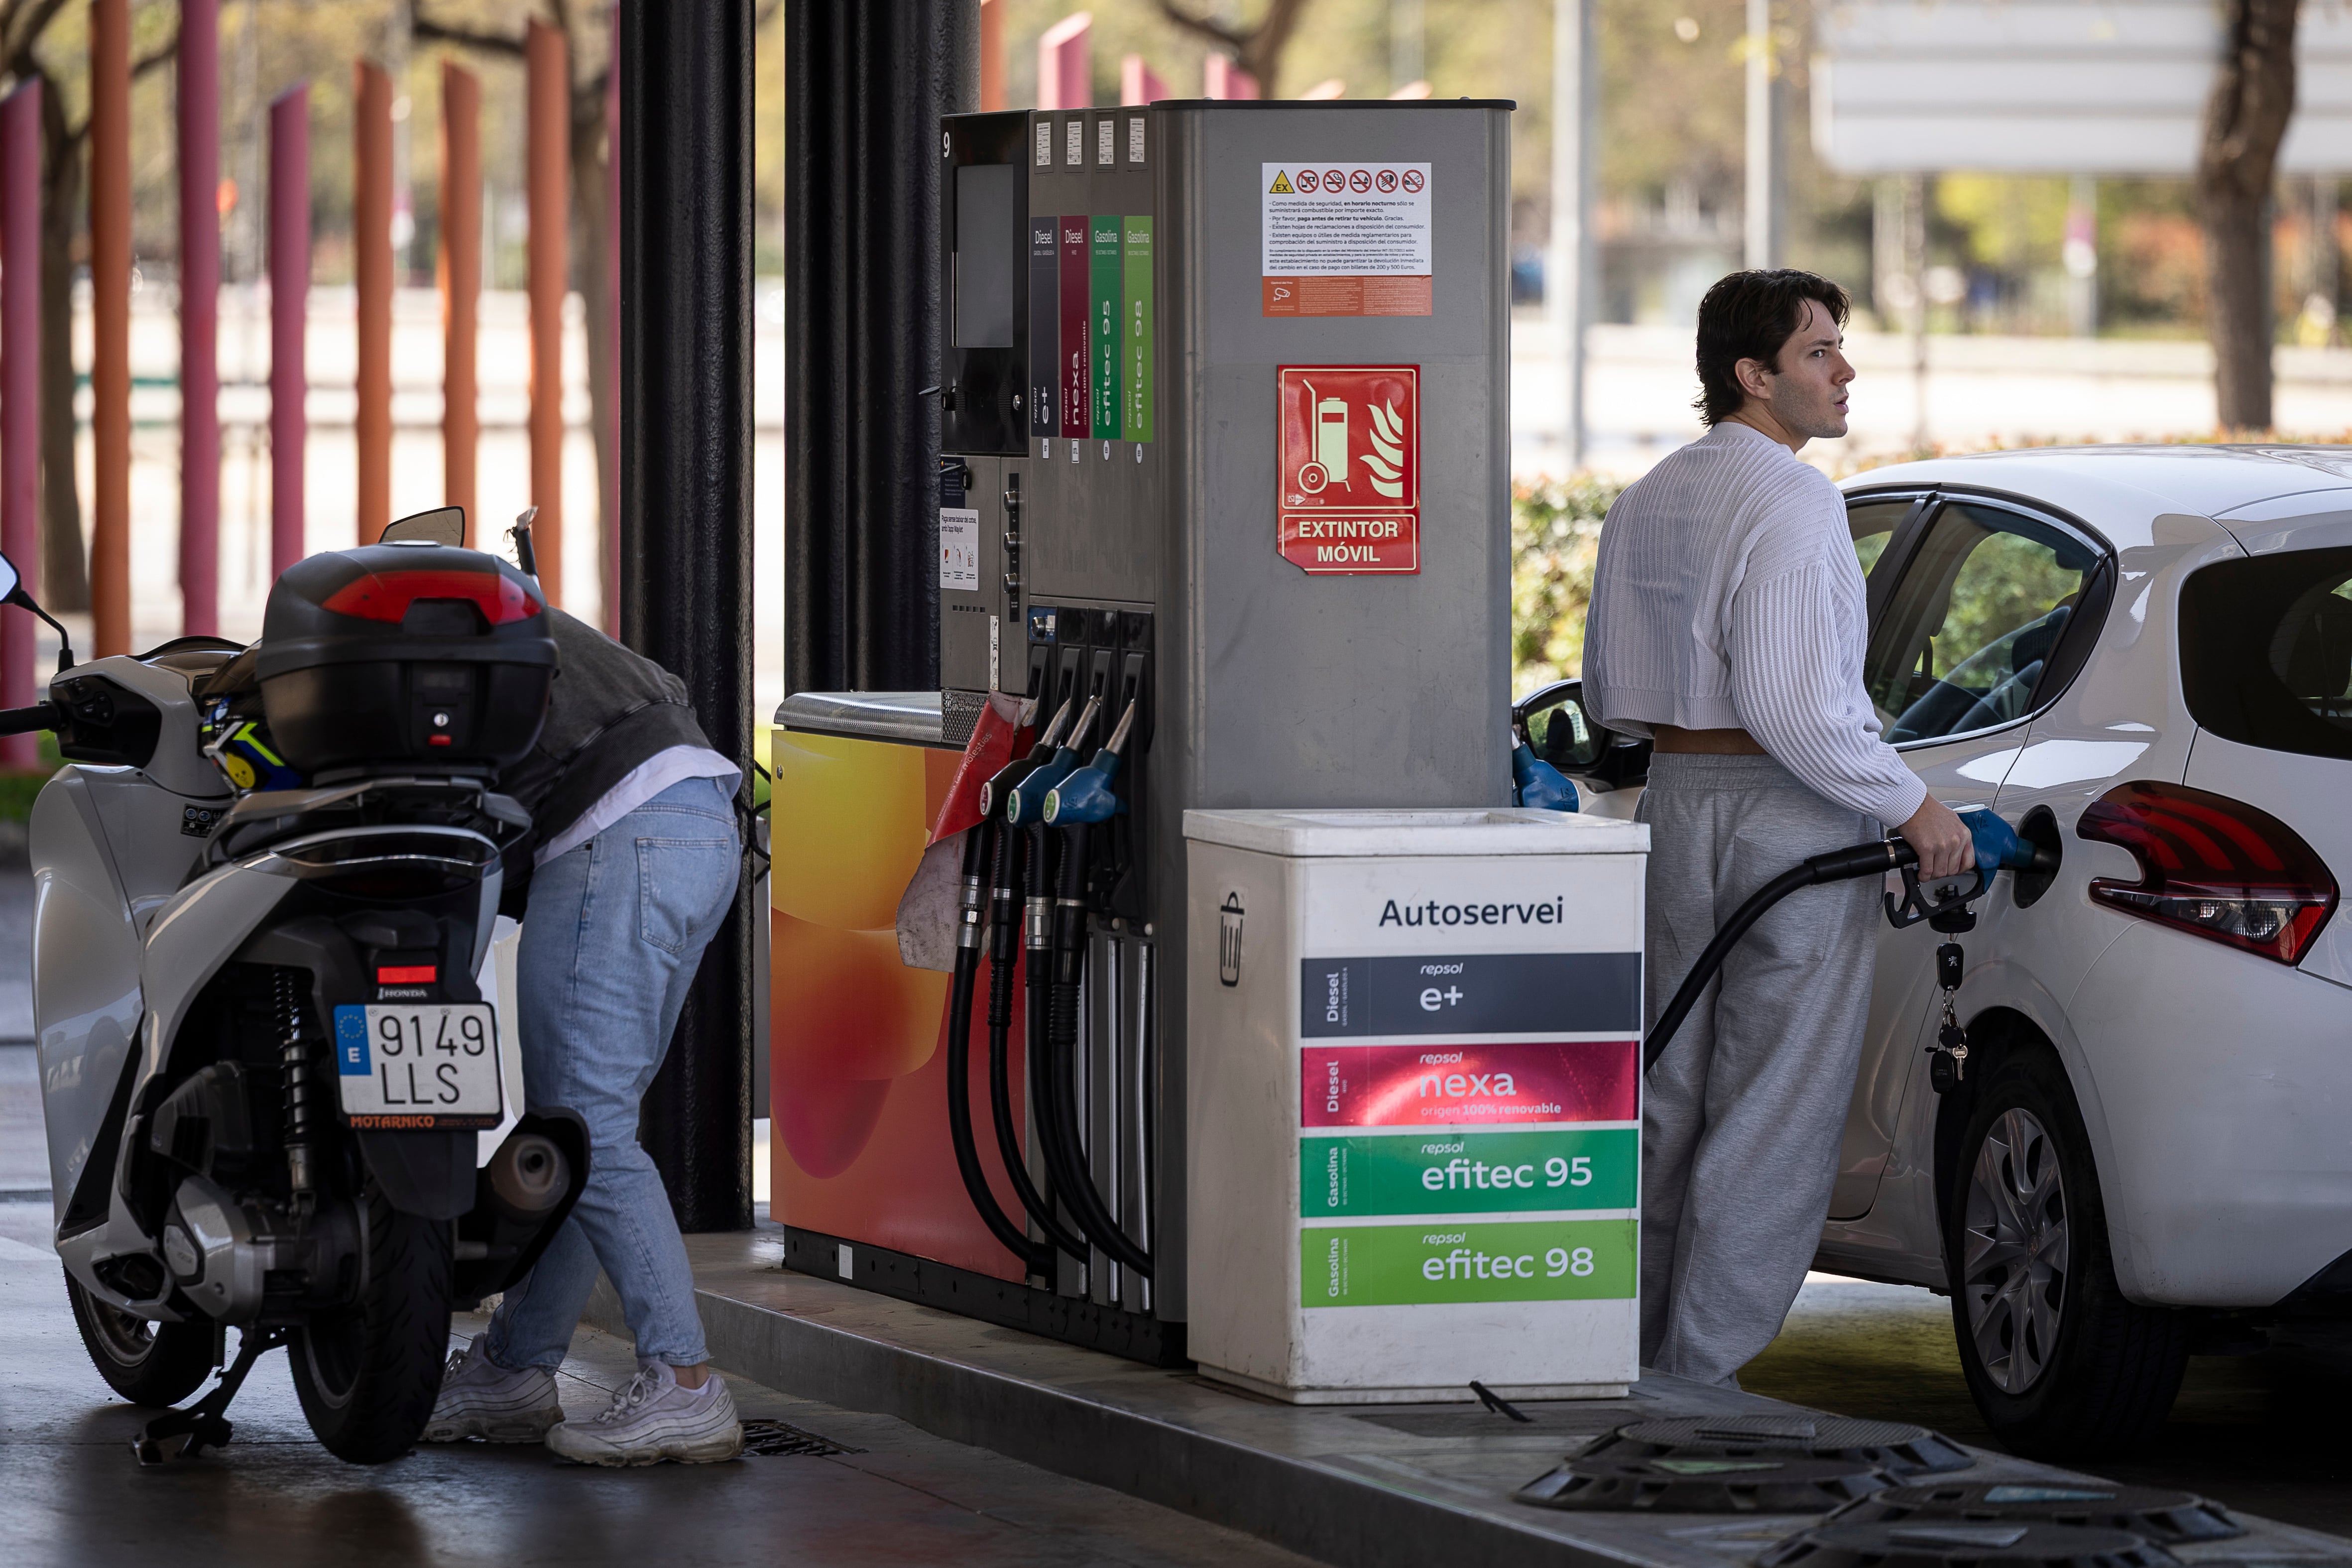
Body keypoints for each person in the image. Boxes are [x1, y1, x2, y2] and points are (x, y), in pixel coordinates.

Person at [1581, 269, 1974, 1388]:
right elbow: (1795, 705)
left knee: (1667, 1095)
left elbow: (1606, 689)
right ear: (1752, 376)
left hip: (1677, 799)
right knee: (1774, 1107)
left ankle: (1624, 1358)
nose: (1844, 370)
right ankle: (1702, 1378)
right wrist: (1913, 806)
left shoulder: (1651, 495)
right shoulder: (1794, 499)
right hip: (1790, 814)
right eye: (1817, 352)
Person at [424, 603, 747, 1464]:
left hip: (616, 834)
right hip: (700, 822)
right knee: (581, 1128)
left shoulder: (392, 650)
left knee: (586, 1124)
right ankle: (515, 1367)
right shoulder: (489, 610)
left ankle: (685, 1383)